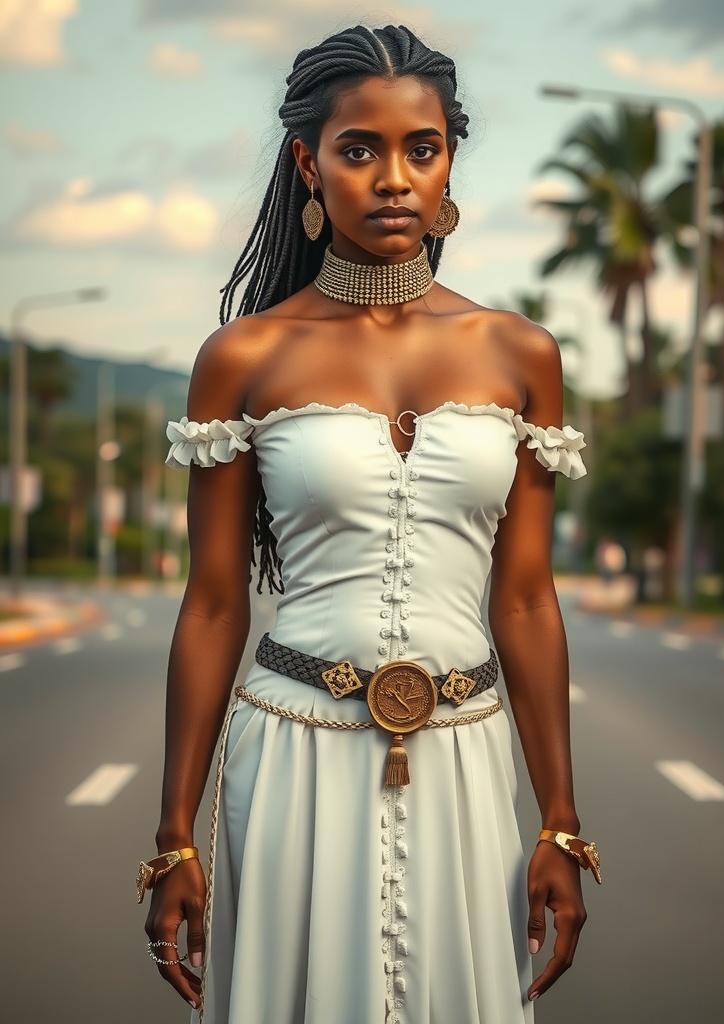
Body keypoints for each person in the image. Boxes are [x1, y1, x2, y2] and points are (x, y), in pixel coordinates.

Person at [138, 24, 599, 1024]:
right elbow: (214, 604)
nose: (394, 177)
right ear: (311, 163)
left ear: (447, 166)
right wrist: (174, 830)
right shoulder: (242, 358)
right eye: (360, 150)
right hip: (293, 743)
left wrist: (560, 819)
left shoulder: (523, 354)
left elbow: (524, 597)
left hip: (464, 755)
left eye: (420, 150)